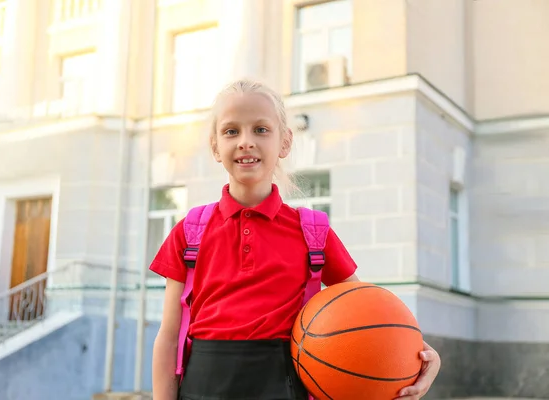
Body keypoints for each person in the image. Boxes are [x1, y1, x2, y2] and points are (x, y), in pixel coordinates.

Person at [150, 79, 441, 400]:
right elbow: (169, 336)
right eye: (231, 131)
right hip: (202, 386)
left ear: (285, 142)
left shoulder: (313, 232)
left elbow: (370, 316)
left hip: (283, 386)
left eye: (261, 129)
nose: (246, 141)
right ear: (215, 146)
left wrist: (423, 356)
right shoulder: (190, 230)